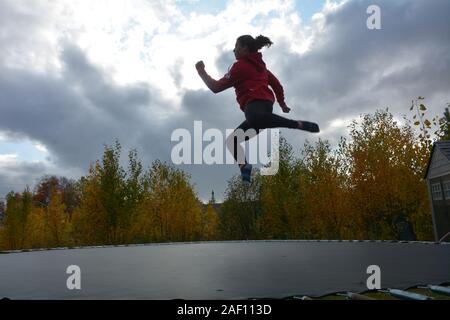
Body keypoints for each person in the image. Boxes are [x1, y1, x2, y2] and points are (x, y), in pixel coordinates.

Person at [195, 35, 320, 182]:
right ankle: (244, 166)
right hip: (265, 110)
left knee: (255, 119)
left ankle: (297, 124)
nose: (233, 50)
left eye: (236, 46)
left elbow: (216, 87)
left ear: (245, 48)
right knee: (233, 140)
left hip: (255, 107)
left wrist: (201, 71)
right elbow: (277, 85)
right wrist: (282, 104)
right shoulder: (262, 68)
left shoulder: (239, 67)